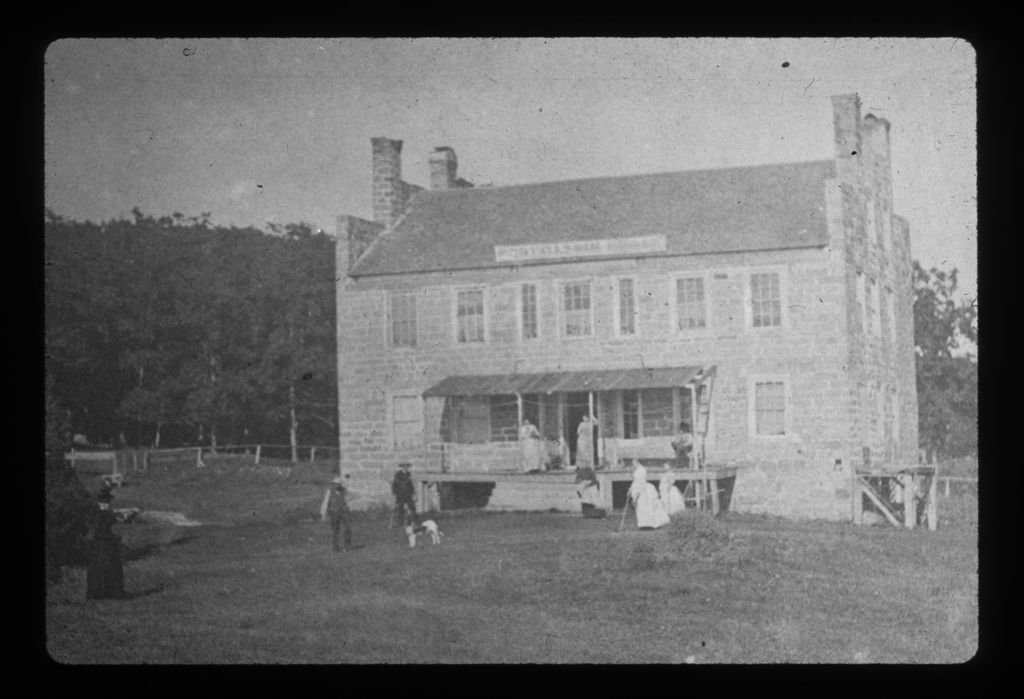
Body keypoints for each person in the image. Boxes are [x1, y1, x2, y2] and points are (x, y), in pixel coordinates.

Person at [86, 485, 125, 600]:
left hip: (97, 545)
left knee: (97, 569)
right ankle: (112, 593)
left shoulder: (96, 513)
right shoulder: (107, 514)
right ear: (107, 502)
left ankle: (97, 593)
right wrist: (116, 538)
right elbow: (103, 530)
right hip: (106, 544)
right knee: (111, 568)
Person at [627, 462, 669, 530]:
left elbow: (640, 482)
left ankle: (648, 524)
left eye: (634, 462)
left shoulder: (641, 470)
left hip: (642, 490)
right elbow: (636, 481)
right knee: (641, 508)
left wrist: (636, 492)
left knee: (645, 507)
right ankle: (644, 524)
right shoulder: (638, 470)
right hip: (639, 488)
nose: (633, 464)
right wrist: (632, 489)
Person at [320, 474, 353, 552]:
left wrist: (346, 502)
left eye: (338, 484)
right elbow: (325, 502)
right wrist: (323, 513)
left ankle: (346, 547)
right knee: (335, 530)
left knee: (348, 528)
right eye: (335, 484)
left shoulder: (343, 490)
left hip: (344, 511)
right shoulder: (330, 491)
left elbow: (351, 496)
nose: (336, 485)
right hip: (334, 511)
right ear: (332, 484)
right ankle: (336, 547)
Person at [391, 462, 419, 527]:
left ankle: (416, 521)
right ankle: (400, 522)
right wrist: (394, 494)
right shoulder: (398, 475)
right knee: (400, 508)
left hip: (408, 494)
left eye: (407, 466)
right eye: (404, 466)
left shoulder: (408, 474)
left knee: (412, 507)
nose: (406, 468)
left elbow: (411, 485)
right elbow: (396, 484)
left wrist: (414, 493)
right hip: (400, 494)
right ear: (402, 467)